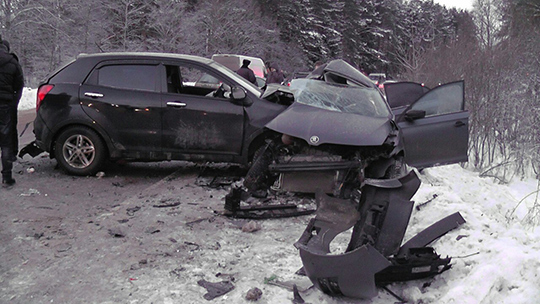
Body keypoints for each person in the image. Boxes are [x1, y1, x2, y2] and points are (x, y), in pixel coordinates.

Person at [0, 37, 24, 185]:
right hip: (5, 106)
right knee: (6, 141)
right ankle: (6, 177)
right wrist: (13, 103)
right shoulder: (13, 63)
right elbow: (19, 86)